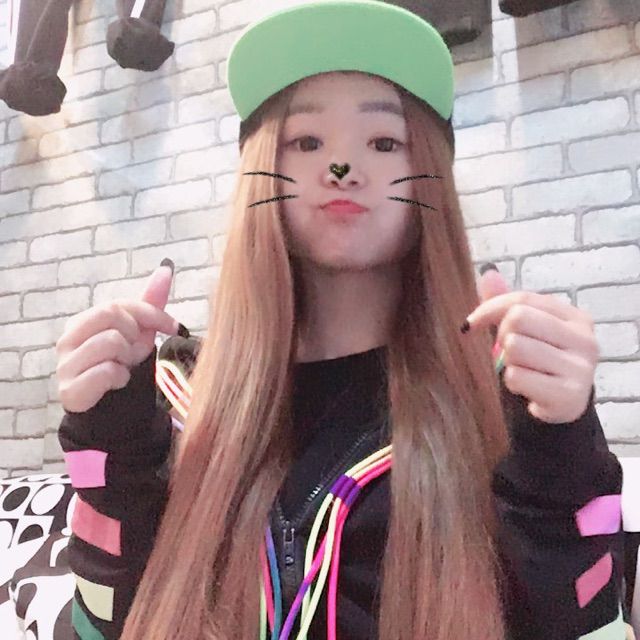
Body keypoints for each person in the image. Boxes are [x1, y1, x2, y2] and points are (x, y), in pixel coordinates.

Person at [54, 2, 628, 639]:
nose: (342, 170)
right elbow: (101, 621)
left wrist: (560, 443)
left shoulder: (503, 400)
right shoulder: (178, 392)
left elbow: (589, 623)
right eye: (306, 142)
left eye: (384, 143)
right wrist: (109, 438)